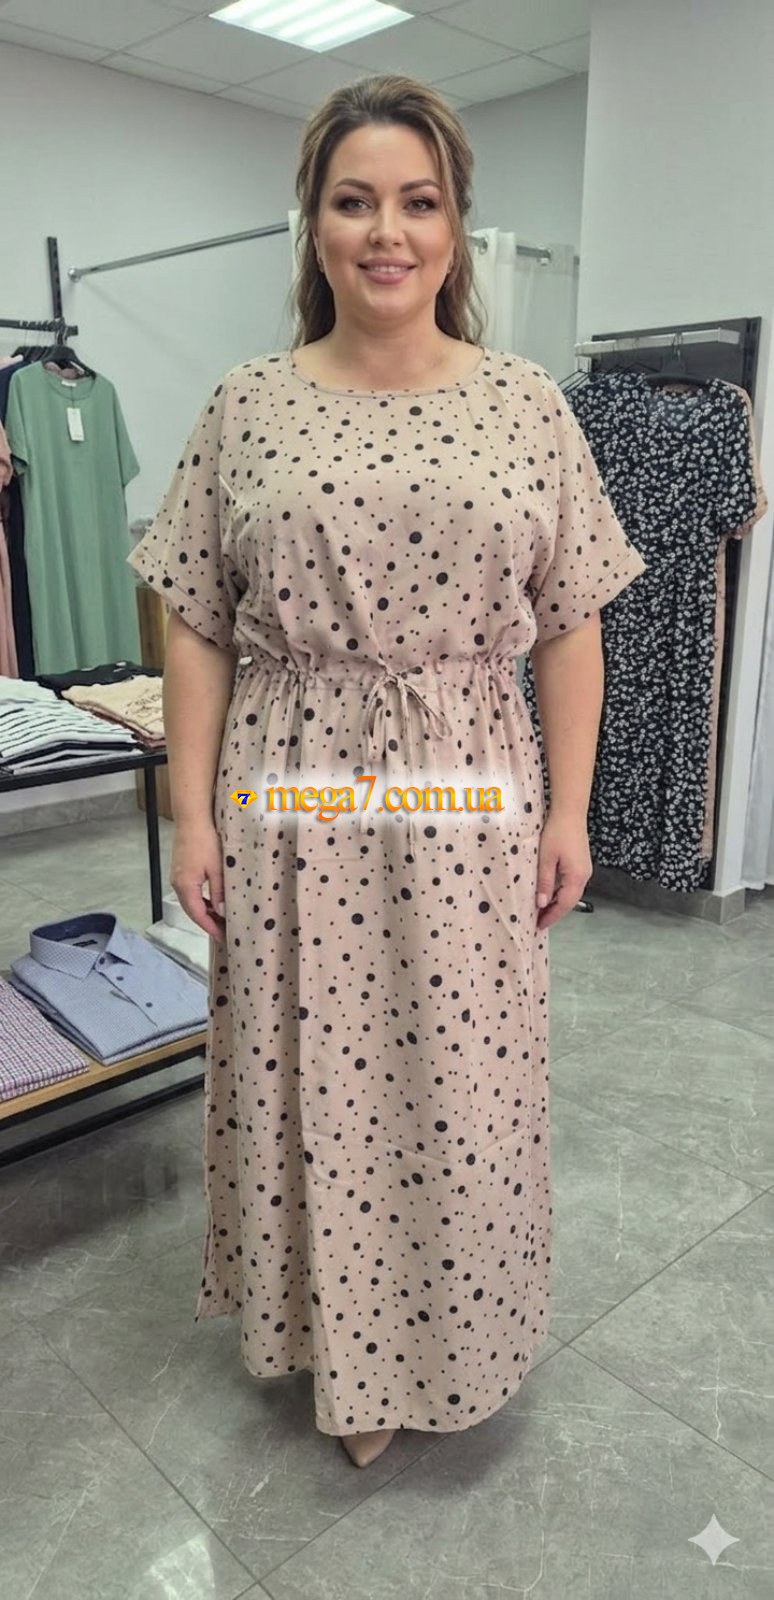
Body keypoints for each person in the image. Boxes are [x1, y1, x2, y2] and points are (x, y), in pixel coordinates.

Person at [128, 73, 646, 1472]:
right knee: (311, 1076)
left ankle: (454, 1341)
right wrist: (190, 811)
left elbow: (572, 622)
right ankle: (341, 1359)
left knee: (461, 1086)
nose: (386, 232)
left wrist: (570, 811)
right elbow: (196, 619)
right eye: (354, 201)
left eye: (417, 202)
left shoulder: (526, 405)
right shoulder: (246, 404)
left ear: (455, 225)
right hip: (291, 793)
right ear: (314, 223)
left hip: (469, 792)